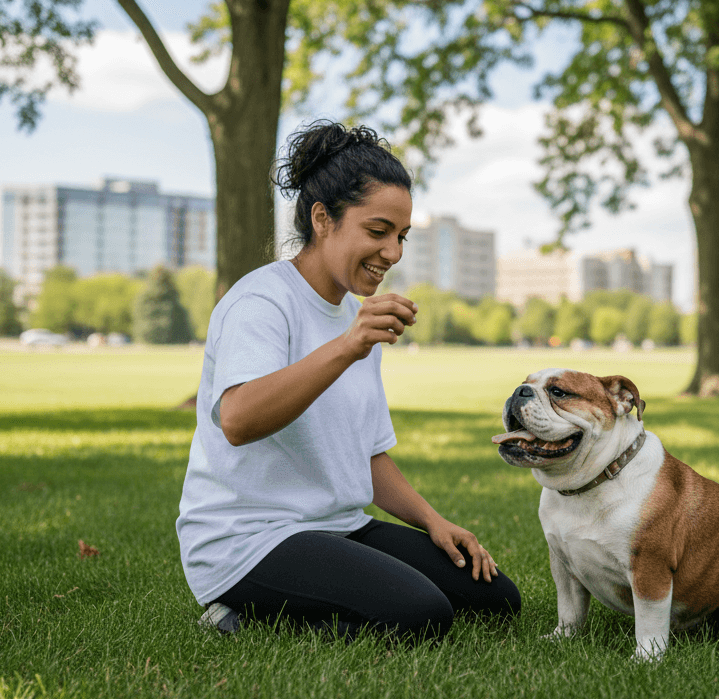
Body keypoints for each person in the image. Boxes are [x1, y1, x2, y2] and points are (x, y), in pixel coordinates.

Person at [176, 121, 521, 642]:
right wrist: (347, 347)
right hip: (248, 538)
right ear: (323, 219)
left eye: (401, 236)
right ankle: (238, 619)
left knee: (495, 599)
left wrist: (433, 522)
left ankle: (295, 607)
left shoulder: (354, 319)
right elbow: (239, 420)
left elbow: (368, 454)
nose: (393, 252)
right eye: (378, 231)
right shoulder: (263, 302)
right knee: (423, 614)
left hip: (337, 526)